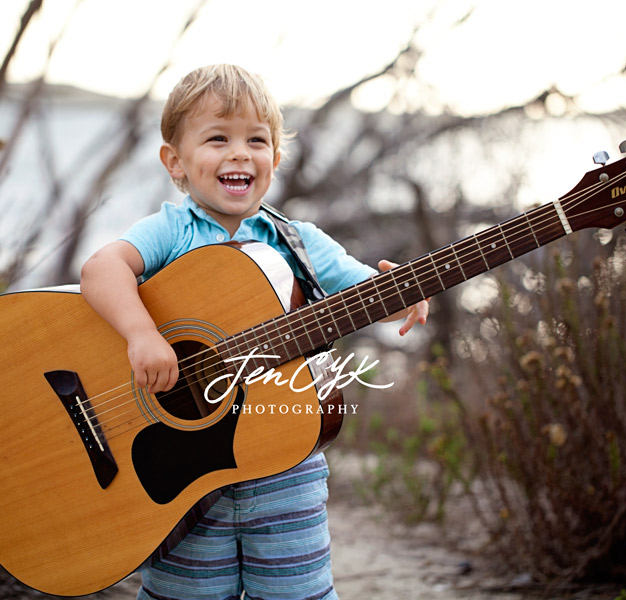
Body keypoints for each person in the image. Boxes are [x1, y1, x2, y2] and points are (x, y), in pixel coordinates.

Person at [80, 64, 429, 600]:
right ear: (174, 160)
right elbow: (101, 270)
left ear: (275, 159)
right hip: (181, 476)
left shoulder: (300, 243)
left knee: (299, 592)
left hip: (284, 467)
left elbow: (368, 295)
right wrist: (142, 334)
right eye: (218, 138)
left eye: (256, 140)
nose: (240, 153)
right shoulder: (171, 231)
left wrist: (401, 292)